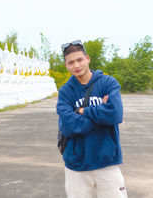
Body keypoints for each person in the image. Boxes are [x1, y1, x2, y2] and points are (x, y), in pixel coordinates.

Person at [56, 40, 127, 198]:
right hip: (77, 167)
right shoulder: (66, 92)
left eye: (79, 60)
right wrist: (101, 114)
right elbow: (69, 127)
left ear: (87, 58)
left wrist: (82, 111)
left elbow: (115, 114)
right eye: (71, 62)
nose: (76, 65)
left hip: (106, 163)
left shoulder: (108, 83)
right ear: (66, 65)